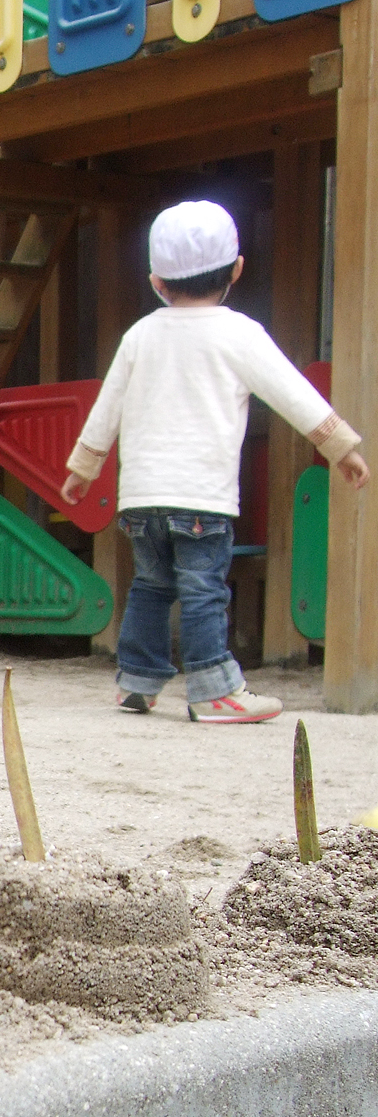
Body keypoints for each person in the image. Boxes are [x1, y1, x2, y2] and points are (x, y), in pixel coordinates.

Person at [64, 200, 370, 724]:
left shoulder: (139, 335)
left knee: (151, 587)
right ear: (236, 270)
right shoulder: (239, 333)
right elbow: (292, 392)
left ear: (157, 282)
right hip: (202, 497)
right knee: (204, 589)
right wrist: (341, 446)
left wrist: (83, 468)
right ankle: (211, 689)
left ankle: (137, 681)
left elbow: (106, 407)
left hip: (142, 498)